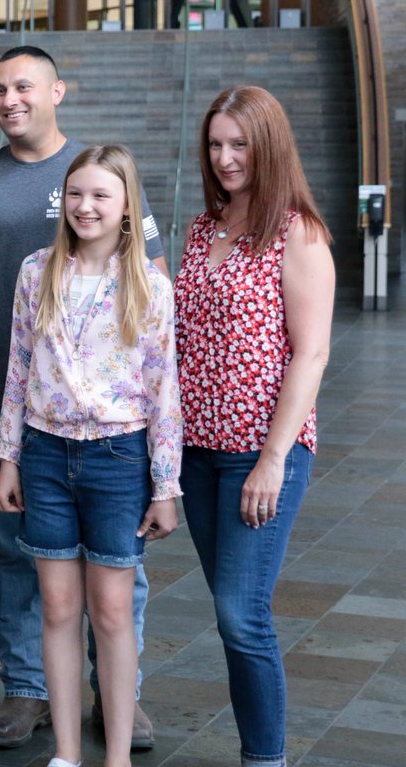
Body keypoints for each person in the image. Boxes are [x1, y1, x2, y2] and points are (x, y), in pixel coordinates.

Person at [0, 45, 166, 750]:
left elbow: (152, 288)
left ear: (58, 90)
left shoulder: (99, 174)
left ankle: (121, 695)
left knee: (117, 568)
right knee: (15, 551)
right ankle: (27, 688)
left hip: (108, 423)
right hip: (6, 400)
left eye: (24, 86)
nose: (10, 99)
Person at [0, 145, 182, 767]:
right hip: (45, 455)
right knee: (58, 606)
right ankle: (67, 754)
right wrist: (9, 457)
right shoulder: (36, 271)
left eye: (101, 195)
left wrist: (165, 485)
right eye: (76, 193)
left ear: (127, 205)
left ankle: (118, 756)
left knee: (111, 609)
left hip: (118, 458)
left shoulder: (149, 285)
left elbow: (162, 389)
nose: (86, 206)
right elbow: (17, 371)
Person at [174, 86, 333, 767]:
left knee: (244, 616)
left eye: (239, 144)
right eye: (215, 144)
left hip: (259, 454)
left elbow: (313, 350)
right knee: (230, 613)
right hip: (196, 451)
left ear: (268, 146)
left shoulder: (297, 231)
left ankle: (264, 759)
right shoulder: (202, 228)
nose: (225, 157)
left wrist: (271, 460)